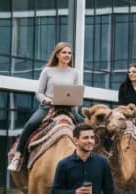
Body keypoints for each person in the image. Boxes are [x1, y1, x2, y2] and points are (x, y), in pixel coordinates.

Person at [8, 42, 83, 172]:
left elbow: (76, 91)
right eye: (64, 52)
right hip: (48, 107)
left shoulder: (74, 73)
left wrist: (75, 100)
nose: (67, 55)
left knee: (86, 127)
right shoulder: (47, 71)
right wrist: (46, 99)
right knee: (31, 124)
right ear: (57, 54)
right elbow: (39, 92)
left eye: (69, 53)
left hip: (69, 108)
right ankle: (18, 156)